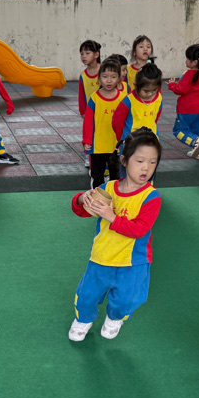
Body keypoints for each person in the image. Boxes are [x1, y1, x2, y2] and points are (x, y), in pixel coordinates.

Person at [68, 127, 162, 341]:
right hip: (102, 256)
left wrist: (111, 216)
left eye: (152, 162)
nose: (146, 168)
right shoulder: (108, 188)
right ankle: (83, 320)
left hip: (133, 262)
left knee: (126, 300)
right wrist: (83, 198)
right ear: (124, 160)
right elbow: (82, 210)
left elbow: (139, 229)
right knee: (87, 295)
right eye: (140, 161)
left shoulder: (151, 197)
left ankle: (115, 317)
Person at [83, 59, 129, 189]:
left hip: (116, 145)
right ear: (99, 78)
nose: (109, 80)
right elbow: (88, 121)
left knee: (116, 176)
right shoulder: (94, 98)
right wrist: (87, 140)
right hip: (98, 146)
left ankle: (115, 196)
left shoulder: (123, 98)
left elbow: (128, 120)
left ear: (119, 79)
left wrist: (127, 139)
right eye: (105, 76)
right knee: (97, 175)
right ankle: (96, 196)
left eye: (113, 77)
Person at [168, 43, 199, 160]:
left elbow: (180, 90)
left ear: (194, 62)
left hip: (186, 110)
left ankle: (195, 142)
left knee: (179, 131)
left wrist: (172, 85)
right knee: (197, 131)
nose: (186, 61)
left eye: (187, 58)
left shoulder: (188, 74)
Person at [113, 62, 163, 144]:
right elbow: (117, 121)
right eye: (146, 91)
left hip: (151, 139)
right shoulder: (128, 100)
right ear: (135, 85)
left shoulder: (159, 98)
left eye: (154, 90)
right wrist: (121, 138)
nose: (150, 94)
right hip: (132, 142)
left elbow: (155, 118)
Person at [77, 39, 102, 117]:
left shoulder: (104, 71)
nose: (84, 56)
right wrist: (83, 112)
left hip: (105, 110)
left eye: (87, 53)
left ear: (96, 55)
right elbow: (81, 95)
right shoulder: (83, 75)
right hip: (91, 111)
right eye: (82, 54)